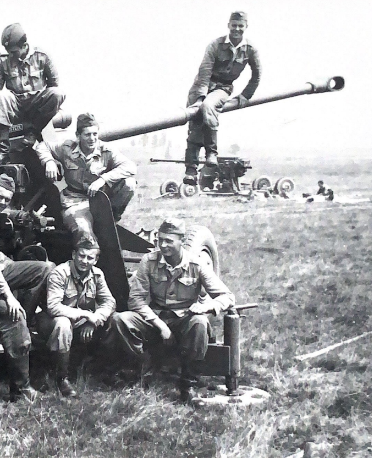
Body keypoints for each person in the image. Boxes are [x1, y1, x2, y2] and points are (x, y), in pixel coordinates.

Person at [109, 218, 235, 402]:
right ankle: (142, 368)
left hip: (184, 320)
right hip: (155, 317)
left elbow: (227, 296)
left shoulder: (196, 264)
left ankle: (188, 382)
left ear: (182, 241)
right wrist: (160, 325)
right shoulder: (149, 261)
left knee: (200, 322)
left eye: (169, 241)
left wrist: (206, 306)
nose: (163, 245)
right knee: (120, 319)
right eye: (160, 240)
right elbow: (136, 299)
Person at [0, 173, 53, 400]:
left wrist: (10, 263)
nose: (2, 202)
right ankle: (21, 389)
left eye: (7, 199)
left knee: (45, 268)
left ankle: (26, 318)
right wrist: (9, 297)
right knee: (13, 318)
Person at [183, 11, 262, 185]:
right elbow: (204, 72)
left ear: (246, 27)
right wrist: (200, 96)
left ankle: (212, 153)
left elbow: (257, 75)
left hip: (222, 87)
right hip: (201, 86)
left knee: (208, 106)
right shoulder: (215, 45)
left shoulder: (250, 49)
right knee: (195, 124)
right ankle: (191, 171)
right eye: (234, 25)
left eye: (240, 26)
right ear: (228, 26)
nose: (237, 29)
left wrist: (245, 95)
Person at [36, 235, 116, 397]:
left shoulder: (97, 275)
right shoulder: (60, 273)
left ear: (96, 260)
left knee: (114, 320)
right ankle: (61, 378)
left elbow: (109, 302)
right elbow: (53, 307)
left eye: (90, 258)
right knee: (63, 324)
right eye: (81, 256)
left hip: (78, 322)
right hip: (50, 321)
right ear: (74, 254)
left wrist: (94, 321)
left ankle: (104, 370)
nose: (84, 261)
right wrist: (86, 314)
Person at [34, 112, 136, 238]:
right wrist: (49, 162)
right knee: (84, 234)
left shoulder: (106, 150)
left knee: (129, 183)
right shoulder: (67, 148)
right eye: (87, 134)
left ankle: (111, 218)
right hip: (74, 200)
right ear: (78, 136)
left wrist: (103, 179)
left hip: (98, 199)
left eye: (95, 134)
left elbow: (130, 167)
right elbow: (42, 146)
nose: (92, 139)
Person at [0, 23, 66, 167]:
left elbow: (54, 83)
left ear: (24, 46)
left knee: (57, 94)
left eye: (14, 52)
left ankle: (32, 134)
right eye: (8, 51)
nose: (11, 55)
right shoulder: (2, 59)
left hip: (37, 105)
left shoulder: (42, 55)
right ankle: (2, 151)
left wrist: (50, 109)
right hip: (16, 104)